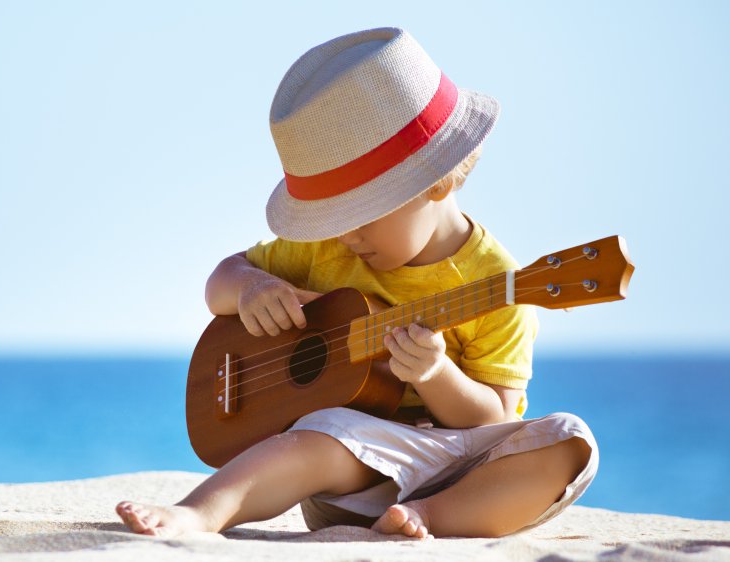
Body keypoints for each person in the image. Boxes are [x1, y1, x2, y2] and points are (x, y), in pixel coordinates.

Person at [116, 27, 597, 539]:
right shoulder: (324, 247)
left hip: (454, 468)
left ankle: (427, 518)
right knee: (323, 433)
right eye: (331, 218)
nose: (345, 236)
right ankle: (200, 513)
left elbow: (492, 418)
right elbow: (220, 285)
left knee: (570, 441)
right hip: (348, 467)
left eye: (361, 215)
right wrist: (250, 286)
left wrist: (435, 376)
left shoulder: (500, 284)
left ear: (437, 180)